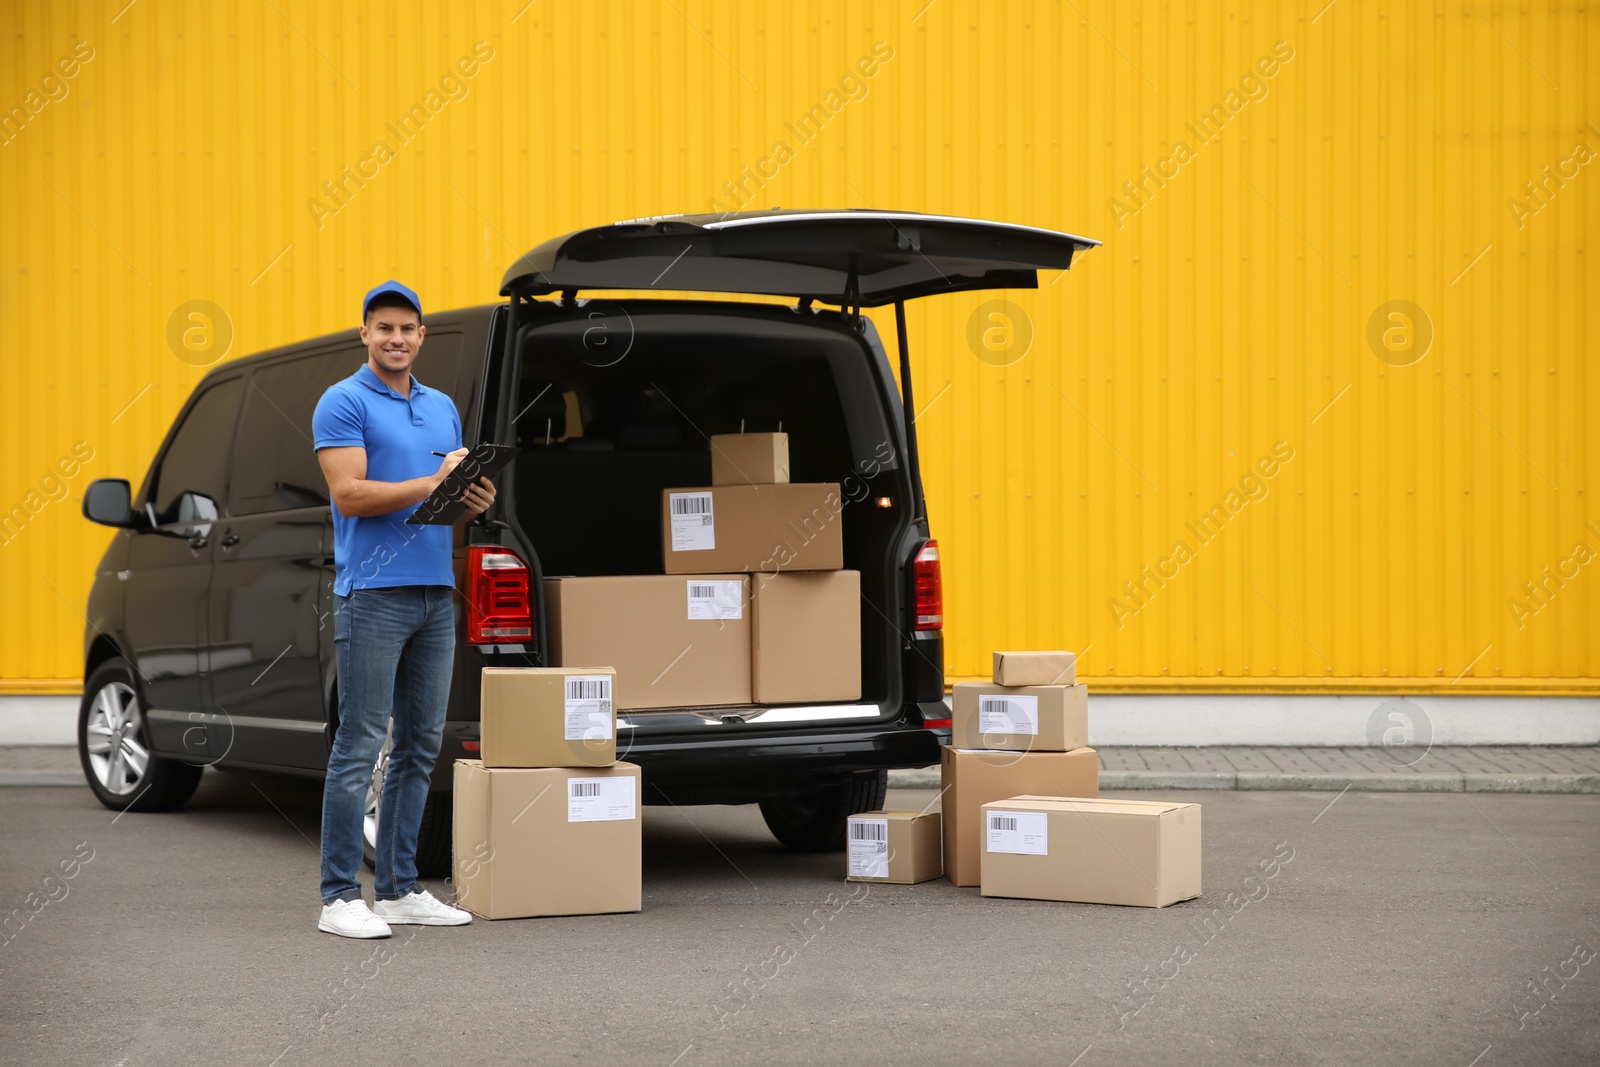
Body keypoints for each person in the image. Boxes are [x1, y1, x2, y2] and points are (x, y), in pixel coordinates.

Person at [310, 280, 496, 939]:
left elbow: (442, 498)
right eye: (383, 327)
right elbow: (352, 494)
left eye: (407, 328)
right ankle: (338, 896)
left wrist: (469, 497)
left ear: (421, 336)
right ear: (364, 333)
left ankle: (396, 888)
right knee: (359, 743)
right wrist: (433, 480)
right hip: (372, 594)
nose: (396, 338)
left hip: (433, 593)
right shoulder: (343, 401)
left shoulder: (443, 406)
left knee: (418, 746)